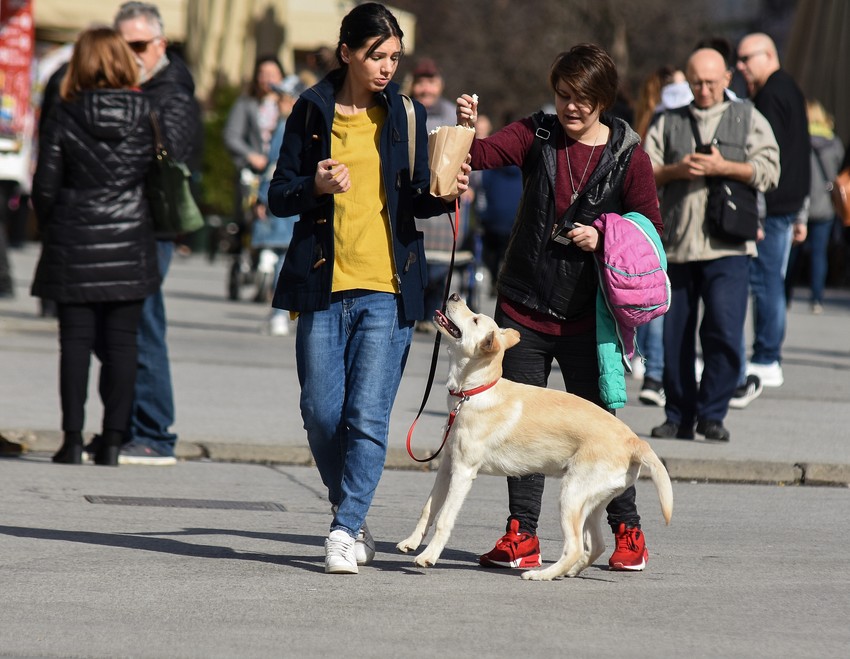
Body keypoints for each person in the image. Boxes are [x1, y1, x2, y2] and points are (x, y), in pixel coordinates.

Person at [267, 2, 469, 574]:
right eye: (376, 56)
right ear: (347, 54)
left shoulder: (405, 112)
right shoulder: (310, 110)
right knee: (320, 412)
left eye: (394, 57)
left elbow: (419, 199)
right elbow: (277, 195)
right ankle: (347, 514)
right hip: (322, 284)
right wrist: (315, 183)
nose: (386, 67)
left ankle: (344, 527)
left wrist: (448, 187)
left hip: (387, 287)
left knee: (368, 417)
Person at [456, 43, 663, 572]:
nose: (572, 107)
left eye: (584, 99)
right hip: (524, 308)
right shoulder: (537, 134)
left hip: (586, 316)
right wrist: (465, 128)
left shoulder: (629, 155)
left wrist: (605, 235)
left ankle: (629, 532)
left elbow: (650, 231)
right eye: (564, 95)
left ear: (603, 99)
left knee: (602, 431)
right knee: (522, 428)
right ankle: (521, 535)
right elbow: (481, 156)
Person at [31, 26, 159, 467]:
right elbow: (158, 179)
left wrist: (53, 225)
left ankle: (70, 441)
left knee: (75, 343)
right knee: (123, 344)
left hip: (74, 235)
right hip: (130, 237)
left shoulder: (65, 111)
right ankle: (110, 443)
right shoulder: (146, 110)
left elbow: (45, 184)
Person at [645, 48, 780, 442]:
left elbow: (771, 170)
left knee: (723, 329)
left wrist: (726, 168)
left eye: (710, 82)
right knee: (676, 336)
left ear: (726, 80)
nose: (703, 90)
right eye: (695, 83)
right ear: (687, 81)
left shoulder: (749, 117)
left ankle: (713, 414)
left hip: (730, 247)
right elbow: (643, 170)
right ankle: (678, 415)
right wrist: (675, 170)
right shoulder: (668, 121)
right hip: (678, 246)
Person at [110, 1, 201, 465]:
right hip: (125, 222)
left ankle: (154, 434)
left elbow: (174, 156)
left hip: (152, 226)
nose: (130, 53)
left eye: (139, 45)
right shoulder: (134, 85)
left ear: (160, 44)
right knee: (121, 328)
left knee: (143, 325)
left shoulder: (172, 90)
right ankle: (123, 428)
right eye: (121, 45)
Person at [735, 33, 810, 389]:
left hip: (774, 205)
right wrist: (802, 212)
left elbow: (765, 156)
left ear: (768, 55)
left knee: (765, 284)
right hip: (787, 204)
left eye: (746, 58)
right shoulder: (791, 89)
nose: (740, 66)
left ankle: (766, 357)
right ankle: (768, 355)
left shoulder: (770, 95)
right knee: (770, 283)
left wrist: (762, 215)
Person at [632, 66, 692, 408]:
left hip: (651, 220)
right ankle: (654, 371)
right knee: (657, 296)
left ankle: (649, 365)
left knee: (647, 293)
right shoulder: (669, 121)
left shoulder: (647, 119)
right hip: (660, 219)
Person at [223, 55, 285, 301]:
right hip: (255, 171)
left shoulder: (290, 103)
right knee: (249, 215)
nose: (268, 79)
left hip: (279, 170)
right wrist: (251, 155)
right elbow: (231, 135)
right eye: (263, 73)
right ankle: (247, 256)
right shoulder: (247, 103)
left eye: (273, 74)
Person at [409, 57, 464, 324]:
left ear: (439, 84)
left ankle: (432, 312)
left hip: (441, 200)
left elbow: (467, 153)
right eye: (421, 83)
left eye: (431, 83)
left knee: (439, 268)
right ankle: (416, 311)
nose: (425, 89)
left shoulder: (451, 114)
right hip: (412, 198)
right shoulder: (404, 110)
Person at [251, 74, 304, 336]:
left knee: (282, 260)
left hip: (283, 199)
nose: (279, 102)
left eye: (283, 97)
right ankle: (281, 313)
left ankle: (279, 314)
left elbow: (274, 169)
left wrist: (262, 198)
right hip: (294, 198)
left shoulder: (286, 127)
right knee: (285, 258)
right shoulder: (294, 125)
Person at [785, 99, 844, 314]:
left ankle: (786, 295)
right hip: (826, 205)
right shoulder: (834, 143)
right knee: (819, 254)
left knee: (793, 252)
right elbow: (838, 170)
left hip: (801, 201)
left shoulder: (799, 140)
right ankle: (817, 298)